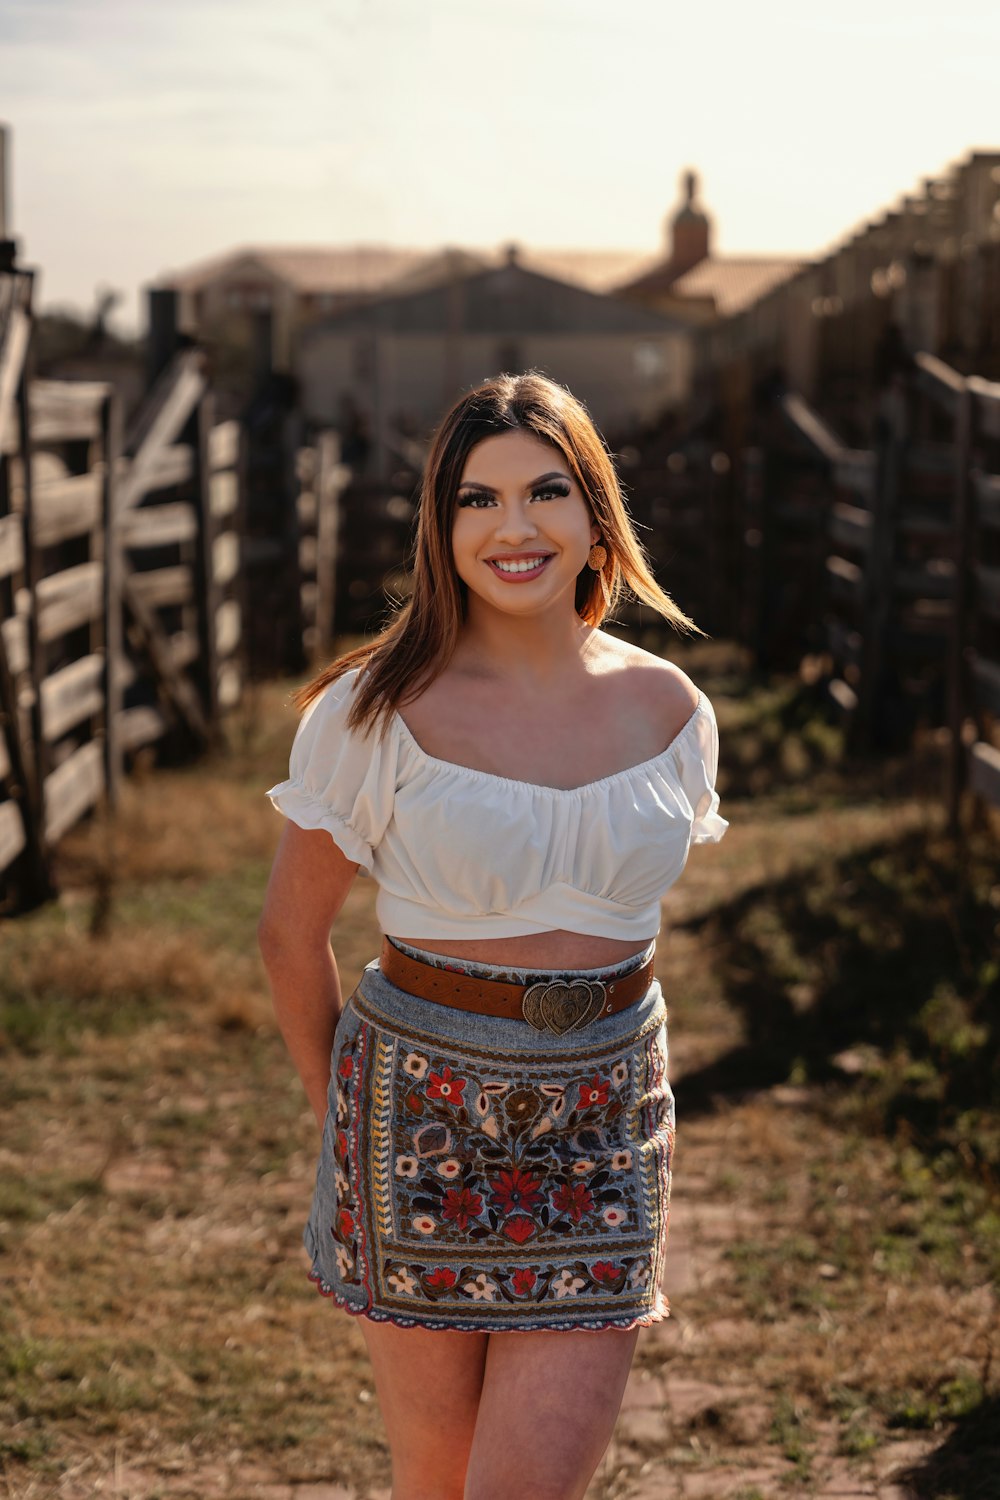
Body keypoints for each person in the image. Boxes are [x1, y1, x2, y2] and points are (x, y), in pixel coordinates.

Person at [258, 372, 727, 1500]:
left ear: (593, 512)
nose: (514, 528)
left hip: (606, 1117)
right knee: (436, 1481)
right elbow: (289, 934)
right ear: (440, 524)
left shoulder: (670, 709)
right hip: (417, 1118)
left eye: (546, 492)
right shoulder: (375, 709)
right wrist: (342, 1117)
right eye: (477, 500)